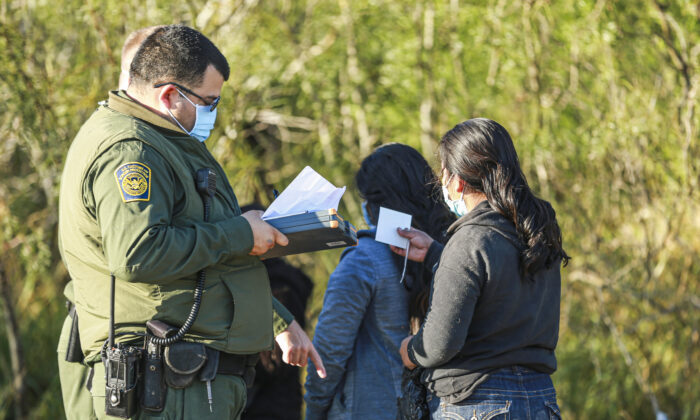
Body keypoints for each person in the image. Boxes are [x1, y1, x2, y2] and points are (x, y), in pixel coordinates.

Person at [58, 24, 324, 420]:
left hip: (185, 380)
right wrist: (240, 233)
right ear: (168, 94)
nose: (212, 114)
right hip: (165, 383)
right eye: (208, 102)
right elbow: (138, 253)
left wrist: (278, 320)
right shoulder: (132, 150)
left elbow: (202, 255)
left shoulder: (161, 141)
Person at [394, 118, 569, 419]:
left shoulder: (469, 241)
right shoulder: (538, 234)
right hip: (541, 400)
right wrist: (438, 253)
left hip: (476, 401)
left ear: (457, 181)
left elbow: (438, 344)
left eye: (443, 174)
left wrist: (409, 351)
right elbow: (500, 281)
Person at [304, 143, 454, 420]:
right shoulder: (449, 254)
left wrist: (314, 410)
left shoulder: (363, 260)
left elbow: (329, 353)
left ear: (373, 205)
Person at [57, 25, 161, 420]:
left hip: (105, 332)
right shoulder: (127, 147)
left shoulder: (139, 138)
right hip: (111, 342)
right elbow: (137, 253)